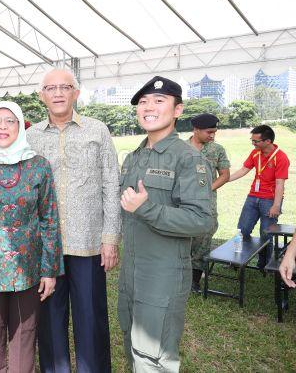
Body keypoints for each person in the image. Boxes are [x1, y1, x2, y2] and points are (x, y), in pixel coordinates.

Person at [0, 101, 63, 373]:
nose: (2, 127)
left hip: (27, 271)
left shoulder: (39, 166)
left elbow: (49, 220)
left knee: (24, 340)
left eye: (10, 121)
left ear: (20, 125)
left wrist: (49, 271)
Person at [26, 68, 120, 373]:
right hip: (46, 246)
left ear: (75, 93)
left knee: (91, 318)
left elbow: (111, 184)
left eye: (64, 87)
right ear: (41, 96)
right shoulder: (30, 136)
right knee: (50, 320)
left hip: (89, 244)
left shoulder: (97, 130)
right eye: (49, 88)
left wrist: (110, 238)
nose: (57, 93)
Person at [117, 76, 213, 372]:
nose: (149, 107)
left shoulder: (187, 158)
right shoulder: (135, 156)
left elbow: (203, 220)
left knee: (154, 358)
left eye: (159, 101)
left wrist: (147, 209)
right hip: (131, 273)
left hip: (162, 278)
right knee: (133, 349)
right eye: (143, 102)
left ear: (178, 110)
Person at [228, 125, 290, 268]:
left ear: (267, 141)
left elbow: (280, 184)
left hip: (270, 200)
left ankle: (264, 265)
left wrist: (276, 205)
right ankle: (237, 261)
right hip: (252, 197)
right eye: (252, 141)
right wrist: (226, 179)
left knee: (266, 234)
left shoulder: (281, 157)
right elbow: (244, 170)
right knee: (243, 229)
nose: (253, 144)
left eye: (256, 141)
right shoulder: (255, 153)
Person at [187, 113, 230, 292]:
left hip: (207, 204)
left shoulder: (216, 149)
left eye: (214, 132)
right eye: (209, 132)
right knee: (180, 240)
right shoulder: (180, 148)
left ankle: (194, 281)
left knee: (203, 241)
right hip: (182, 203)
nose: (212, 135)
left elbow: (225, 175)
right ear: (196, 130)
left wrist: (206, 189)